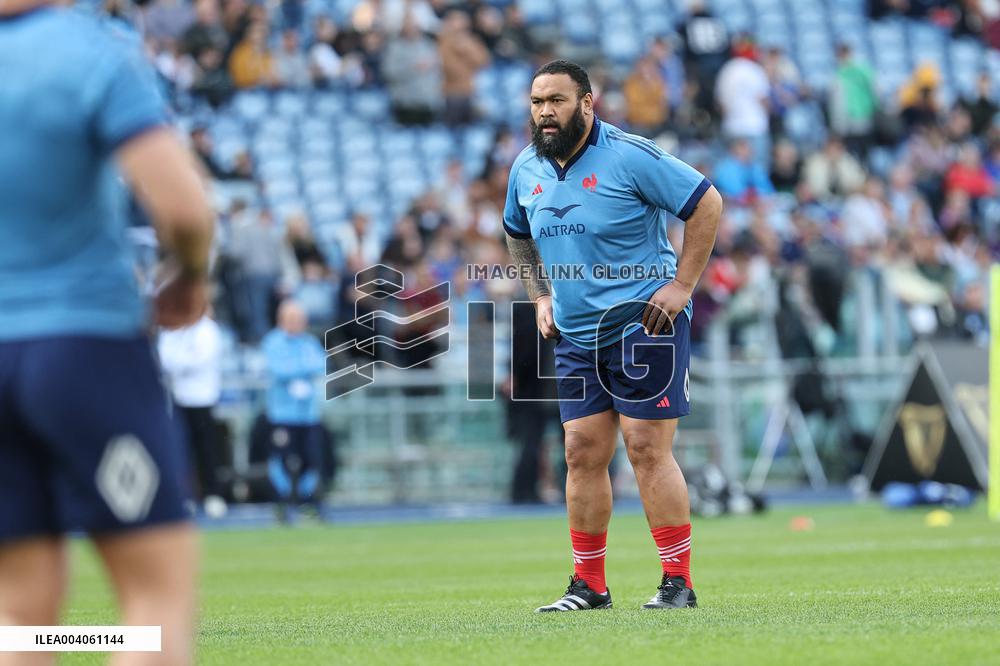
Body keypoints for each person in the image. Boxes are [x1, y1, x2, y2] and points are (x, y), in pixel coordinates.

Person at [0, 3, 214, 664]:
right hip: (81, 345)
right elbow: (183, 208)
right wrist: (190, 278)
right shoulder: (89, 49)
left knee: (21, 616)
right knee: (153, 604)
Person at [504, 60, 723, 612]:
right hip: (576, 334)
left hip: (645, 326)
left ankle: (678, 582)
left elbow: (706, 203)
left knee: (646, 448)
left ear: (587, 102)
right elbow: (517, 234)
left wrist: (682, 285)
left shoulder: (630, 155)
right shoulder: (525, 168)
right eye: (536, 102)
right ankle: (589, 587)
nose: (545, 112)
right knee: (580, 453)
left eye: (556, 100)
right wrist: (538, 295)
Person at [262, 300, 328, 521]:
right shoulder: (273, 341)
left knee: (311, 460)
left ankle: (307, 503)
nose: (296, 323)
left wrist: (295, 371)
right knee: (281, 460)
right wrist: (301, 372)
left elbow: (321, 364)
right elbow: (278, 369)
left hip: (308, 415)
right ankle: (281, 503)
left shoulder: (309, 342)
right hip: (282, 414)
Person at [158, 313, 229, 518]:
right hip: (177, 399)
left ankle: (213, 495)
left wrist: (178, 363)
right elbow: (164, 358)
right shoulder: (172, 325)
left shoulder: (208, 328)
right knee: (180, 451)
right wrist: (180, 362)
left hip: (202, 398)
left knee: (207, 451)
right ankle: (185, 497)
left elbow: (202, 359)